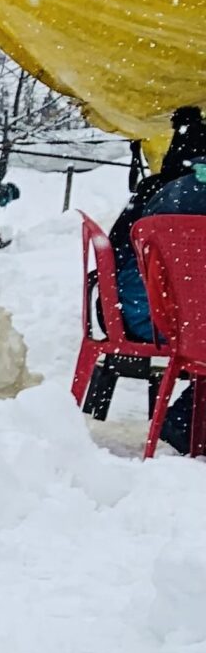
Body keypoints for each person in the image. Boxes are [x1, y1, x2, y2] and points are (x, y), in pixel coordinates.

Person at [107, 105, 206, 451]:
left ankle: (187, 423)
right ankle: (185, 424)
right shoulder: (189, 199)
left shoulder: (153, 193)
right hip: (168, 321)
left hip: (149, 315)